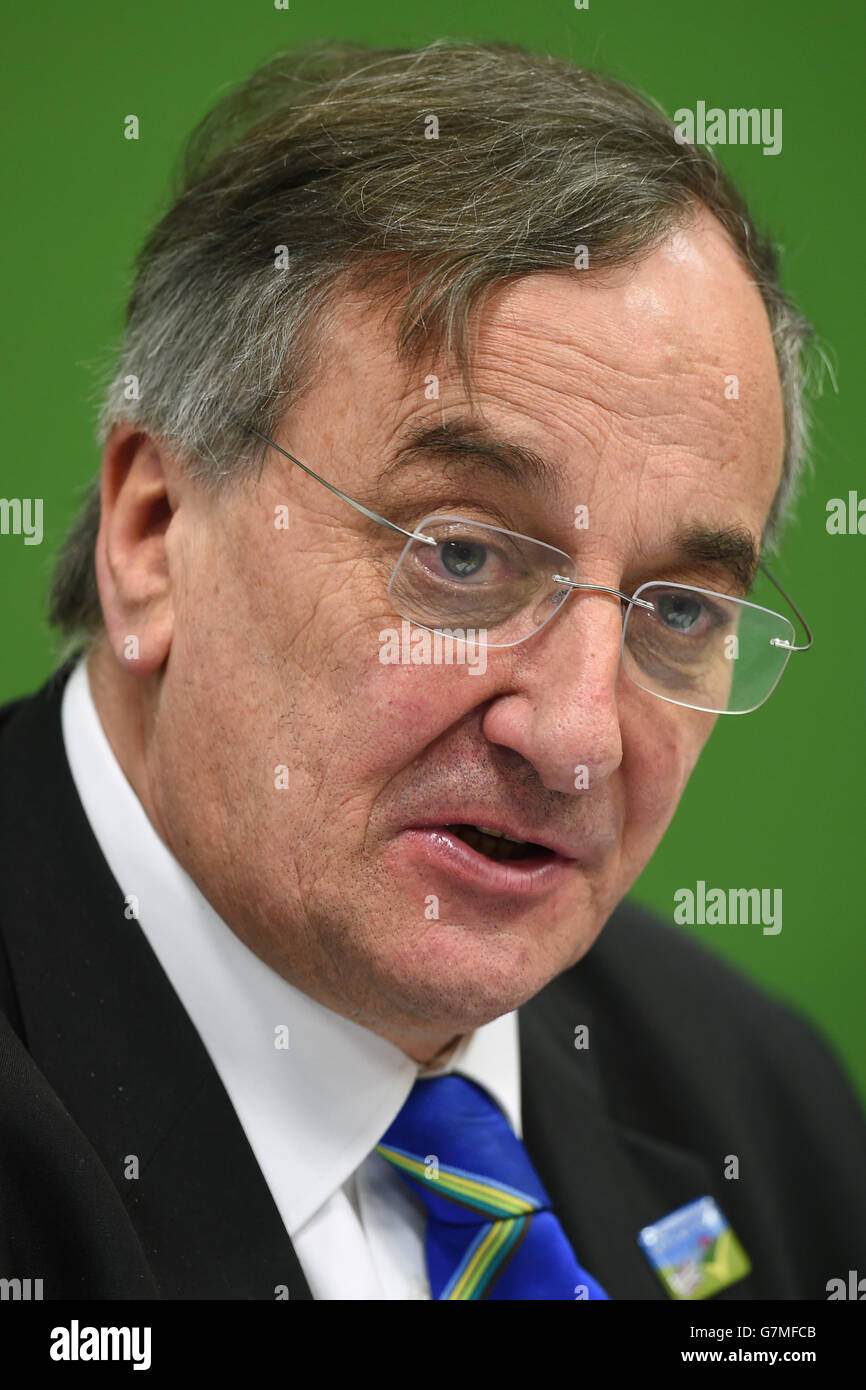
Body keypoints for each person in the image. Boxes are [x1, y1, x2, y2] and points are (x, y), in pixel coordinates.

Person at [1, 39, 864, 1302]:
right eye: (460, 554)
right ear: (153, 534)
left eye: (676, 607)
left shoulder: (763, 1108)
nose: (576, 734)